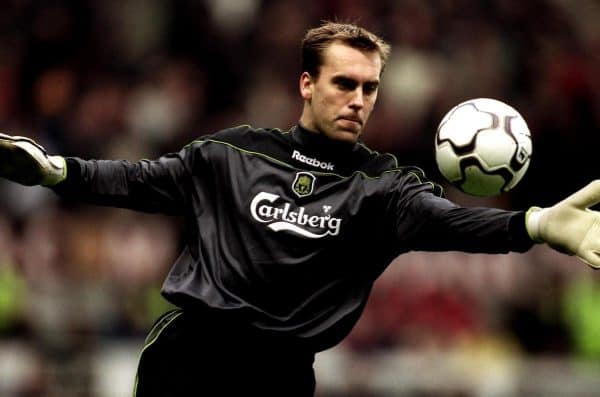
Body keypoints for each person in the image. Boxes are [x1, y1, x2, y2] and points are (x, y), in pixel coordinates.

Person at [0, 21, 599, 397]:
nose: (358, 100)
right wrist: (58, 171)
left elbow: (456, 224)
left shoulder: (383, 186)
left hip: (281, 377)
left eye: (370, 88)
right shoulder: (231, 152)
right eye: (345, 84)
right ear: (307, 84)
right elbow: (134, 180)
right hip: (190, 357)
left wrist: (539, 223)